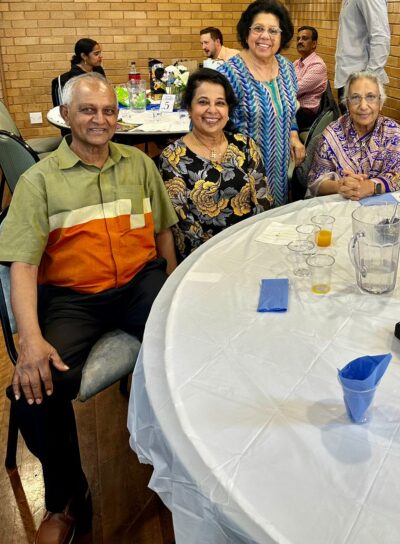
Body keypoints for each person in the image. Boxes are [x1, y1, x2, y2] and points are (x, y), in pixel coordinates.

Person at [0, 74, 177, 543]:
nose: (99, 120)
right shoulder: (38, 182)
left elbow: (162, 232)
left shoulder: (140, 164)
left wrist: (172, 287)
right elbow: (21, 265)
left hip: (140, 283)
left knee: (190, 335)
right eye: (87, 110)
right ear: (65, 116)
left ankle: (183, 451)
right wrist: (29, 338)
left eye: (107, 111)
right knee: (37, 388)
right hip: (74, 298)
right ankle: (65, 498)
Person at [159, 68, 273, 259]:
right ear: (189, 108)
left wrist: (253, 247)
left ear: (228, 110)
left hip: (250, 247)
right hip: (202, 257)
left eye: (220, 103)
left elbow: (263, 202)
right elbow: (184, 224)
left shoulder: (246, 146)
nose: (212, 110)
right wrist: (223, 255)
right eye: (203, 102)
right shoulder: (172, 157)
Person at [217, 0, 305, 206]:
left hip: (279, 171)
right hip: (240, 174)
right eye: (258, 28)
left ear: (282, 36)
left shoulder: (287, 68)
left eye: (273, 31)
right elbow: (204, 125)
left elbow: (289, 109)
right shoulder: (229, 74)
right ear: (246, 32)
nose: (265, 36)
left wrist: (294, 135)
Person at [307, 70, 400, 199]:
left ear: (381, 102)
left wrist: (371, 186)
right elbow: (315, 181)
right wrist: (340, 186)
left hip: (383, 208)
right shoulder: (332, 133)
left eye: (371, 97)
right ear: (347, 103)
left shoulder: (395, 134)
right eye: (355, 98)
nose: (363, 106)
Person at [331, 0, 390, 101]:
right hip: (348, 80)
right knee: (347, 126)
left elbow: (380, 37)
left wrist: (369, 81)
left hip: (361, 83)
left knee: (360, 127)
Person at [293, 26, 328, 130]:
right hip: (293, 106)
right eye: (298, 39)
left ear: (314, 44)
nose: (300, 41)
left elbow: (294, 89)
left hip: (306, 114)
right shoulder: (296, 63)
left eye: (304, 38)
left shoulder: (318, 65)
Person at [53, 38, 106, 104]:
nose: (100, 56)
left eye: (100, 53)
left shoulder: (98, 69)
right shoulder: (75, 76)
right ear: (84, 56)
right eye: (96, 54)